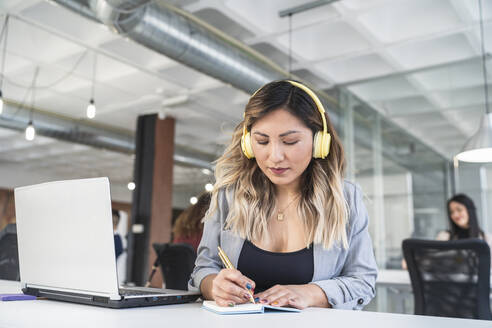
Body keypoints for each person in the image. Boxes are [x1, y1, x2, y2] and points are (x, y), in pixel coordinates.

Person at [189, 80, 377, 310]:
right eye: (262, 141)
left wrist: (310, 293)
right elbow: (203, 270)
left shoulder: (346, 199)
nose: (275, 156)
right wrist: (214, 286)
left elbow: (363, 282)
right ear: (248, 144)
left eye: (290, 141)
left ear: (320, 142)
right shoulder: (228, 196)